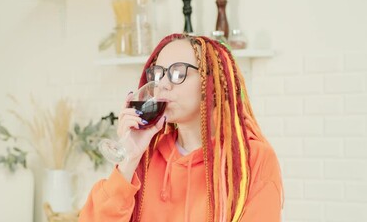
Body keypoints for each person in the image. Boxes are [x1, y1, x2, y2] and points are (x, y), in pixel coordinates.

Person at [79, 33, 283, 222]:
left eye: (177, 73)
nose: (163, 85)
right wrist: (129, 158)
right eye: (158, 74)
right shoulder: (147, 157)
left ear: (209, 83)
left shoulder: (253, 158)